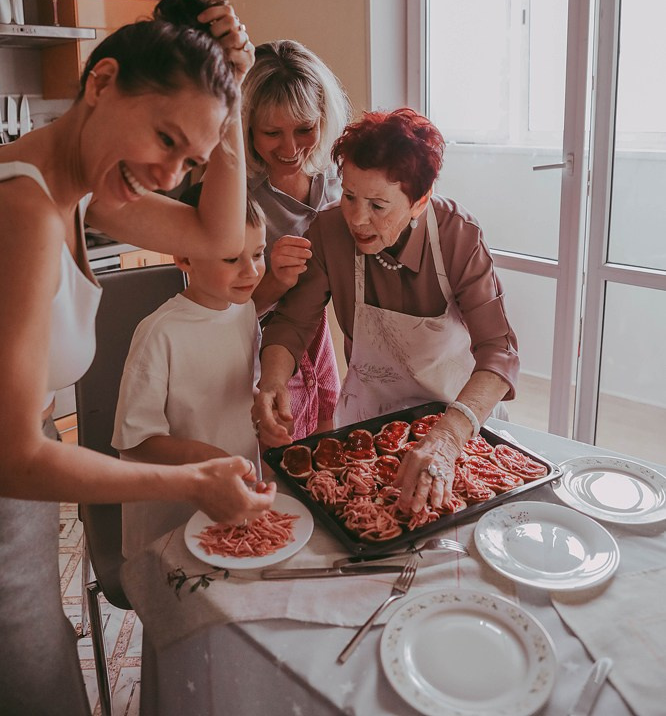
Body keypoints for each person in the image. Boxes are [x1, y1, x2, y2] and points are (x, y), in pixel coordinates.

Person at [0, 0, 275, 715]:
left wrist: (232, 102)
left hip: (19, 520)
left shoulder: (85, 194)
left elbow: (218, 236)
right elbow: (13, 454)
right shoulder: (24, 214)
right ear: (100, 82)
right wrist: (192, 483)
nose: (169, 175)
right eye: (164, 138)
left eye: (191, 161)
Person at [253, 107, 518, 517]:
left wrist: (447, 438)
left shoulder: (458, 235)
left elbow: (499, 352)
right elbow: (291, 323)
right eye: (350, 196)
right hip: (366, 424)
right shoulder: (327, 231)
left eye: (378, 205)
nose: (357, 219)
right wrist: (272, 381)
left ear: (419, 202)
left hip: (458, 419)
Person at [112, 190, 278, 558]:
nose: (251, 271)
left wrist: (262, 413)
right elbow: (135, 438)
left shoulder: (245, 309)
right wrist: (210, 458)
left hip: (232, 499)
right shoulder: (160, 333)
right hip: (171, 516)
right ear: (184, 257)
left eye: (257, 253)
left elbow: (236, 387)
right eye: (232, 258)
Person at [241, 39, 351, 438]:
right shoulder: (237, 199)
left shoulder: (339, 184)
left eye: (305, 129)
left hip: (318, 341)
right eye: (272, 133)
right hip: (251, 350)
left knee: (326, 435)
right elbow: (220, 316)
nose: (290, 149)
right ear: (247, 126)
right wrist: (273, 281)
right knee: (274, 444)